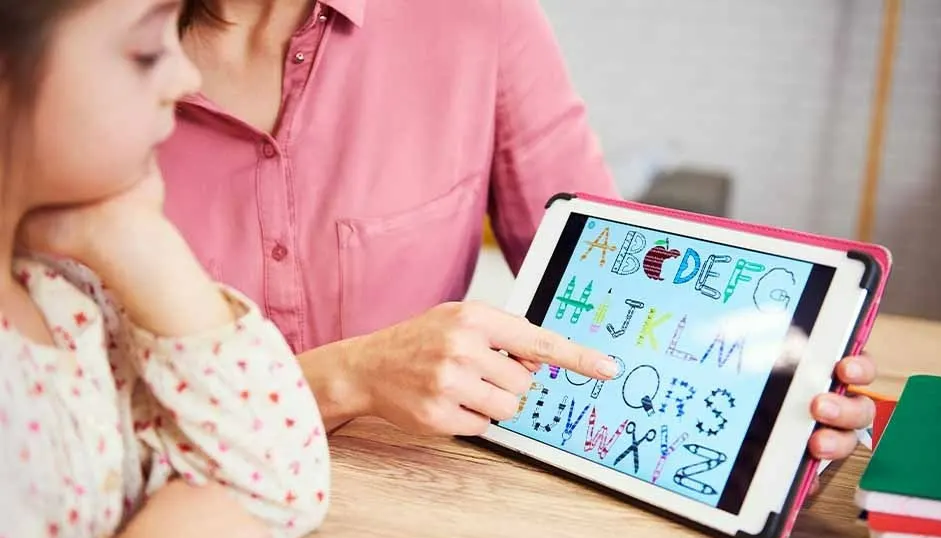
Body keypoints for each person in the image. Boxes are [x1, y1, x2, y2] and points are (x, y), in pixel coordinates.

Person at [162, 0, 877, 475]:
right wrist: (343, 378)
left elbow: (618, 291)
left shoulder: (476, 16)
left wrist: (777, 398)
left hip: (410, 507)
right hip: (154, 493)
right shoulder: (79, 47)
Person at [0, 0, 332, 538]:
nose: (186, 77)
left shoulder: (63, 295)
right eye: (148, 49)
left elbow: (276, 487)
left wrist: (136, 243)